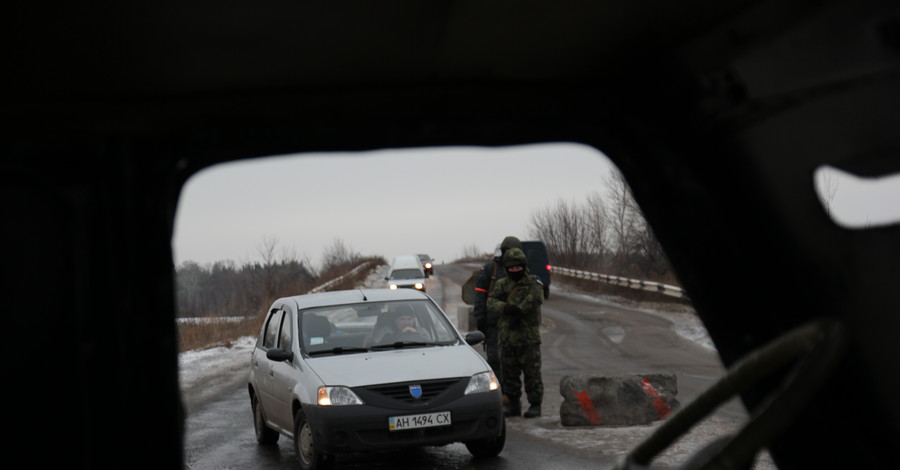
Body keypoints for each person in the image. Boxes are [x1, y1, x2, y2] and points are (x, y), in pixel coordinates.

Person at [488, 247, 545, 418]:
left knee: (532, 374)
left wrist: (518, 310)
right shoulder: (501, 284)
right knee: (509, 375)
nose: (515, 271)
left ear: (524, 266)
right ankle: (513, 404)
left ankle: (535, 405)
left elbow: (535, 299)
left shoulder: (533, 283)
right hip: (507, 339)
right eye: (511, 268)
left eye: (517, 268)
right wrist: (506, 308)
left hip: (528, 339)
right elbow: (491, 302)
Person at [473, 236, 522, 387]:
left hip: (515, 323)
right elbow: (480, 294)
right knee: (494, 359)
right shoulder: (491, 269)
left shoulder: (521, 268)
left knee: (514, 361)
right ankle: (499, 392)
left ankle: (511, 394)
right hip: (494, 323)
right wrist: (480, 316)